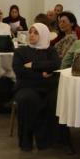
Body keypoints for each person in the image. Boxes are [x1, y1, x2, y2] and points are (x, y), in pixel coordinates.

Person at [12, 23, 62, 151]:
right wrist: (42, 74)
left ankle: (49, 140)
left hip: (47, 87)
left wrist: (33, 65)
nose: (32, 35)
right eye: (30, 32)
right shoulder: (20, 51)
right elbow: (20, 71)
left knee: (55, 100)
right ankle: (26, 141)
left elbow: (56, 65)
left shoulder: (50, 50)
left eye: (36, 33)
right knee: (28, 99)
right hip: (26, 87)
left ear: (44, 35)